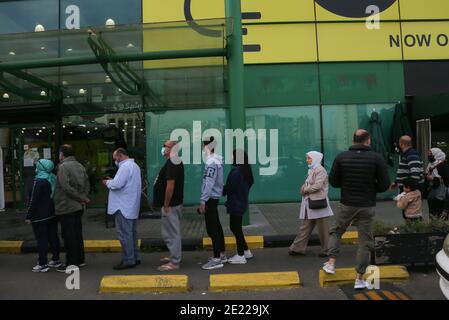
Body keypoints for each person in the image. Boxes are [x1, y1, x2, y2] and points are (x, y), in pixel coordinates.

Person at [323, 129, 390, 290]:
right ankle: (359, 279)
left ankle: (331, 263)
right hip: (367, 205)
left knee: (337, 231)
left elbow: (333, 181)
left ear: (353, 140)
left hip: (347, 203)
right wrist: (372, 189)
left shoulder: (341, 157)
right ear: (367, 141)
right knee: (365, 242)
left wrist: (346, 185)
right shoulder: (376, 158)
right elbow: (384, 184)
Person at [289, 151, 333, 257]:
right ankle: (297, 248)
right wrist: (304, 186)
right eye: (307, 158)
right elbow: (310, 182)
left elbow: (318, 185)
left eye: (309, 158)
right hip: (310, 203)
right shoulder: (312, 169)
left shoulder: (320, 170)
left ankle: (326, 250)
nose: (307, 160)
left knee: (323, 229)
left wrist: (305, 189)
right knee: (305, 227)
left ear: (315, 159)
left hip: (318, 203)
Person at [103, 148, 142, 270]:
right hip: (131, 205)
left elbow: (117, 184)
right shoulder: (134, 166)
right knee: (131, 233)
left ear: (120, 156)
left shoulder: (125, 167)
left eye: (115, 159)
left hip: (123, 206)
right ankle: (135, 257)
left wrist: (107, 183)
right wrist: (114, 181)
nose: (115, 161)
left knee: (124, 234)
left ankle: (128, 260)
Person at [54, 144, 90, 273]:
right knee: (77, 233)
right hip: (78, 207)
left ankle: (71, 263)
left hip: (66, 205)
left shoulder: (63, 167)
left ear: (62, 154)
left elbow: (65, 187)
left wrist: (80, 198)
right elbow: (87, 183)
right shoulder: (79, 165)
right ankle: (80, 259)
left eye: (59, 153)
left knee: (68, 235)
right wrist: (84, 197)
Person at [153, 140, 184, 271]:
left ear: (171, 148)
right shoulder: (174, 161)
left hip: (170, 205)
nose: (163, 148)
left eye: (165, 146)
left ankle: (175, 262)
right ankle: (174, 256)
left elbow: (170, 185)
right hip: (173, 203)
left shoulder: (173, 162)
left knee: (171, 233)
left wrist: (166, 204)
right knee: (171, 232)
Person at [25, 159, 61, 272]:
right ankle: (56, 259)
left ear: (41, 168)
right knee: (53, 237)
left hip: (39, 217)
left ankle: (42, 263)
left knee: (42, 240)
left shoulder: (39, 181)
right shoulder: (53, 178)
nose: (36, 167)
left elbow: (33, 201)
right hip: (52, 214)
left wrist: (28, 216)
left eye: (37, 166)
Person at [198, 137, 226, 270]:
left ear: (207, 147)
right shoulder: (217, 160)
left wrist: (203, 200)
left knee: (212, 228)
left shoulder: (211, 162)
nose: (203, 149)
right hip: (214, 197)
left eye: (203, 146)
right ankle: (221, 254)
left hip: (210, 198)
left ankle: (216, 259)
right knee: (217, 226)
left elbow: (209, 182)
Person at [223, 149, 254, 264]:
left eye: (232, 156)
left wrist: (218, 189)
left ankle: (241, 255)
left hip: (236, 203)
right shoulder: (246, 171)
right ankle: (246, 250)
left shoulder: (236, 172)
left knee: (235, 228)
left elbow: (229, 188)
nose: (231, 158)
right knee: (237, 228)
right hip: (241, 202)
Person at [425, 148, 449, 219]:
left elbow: (446, 179)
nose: (429, 156)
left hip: (441, 194)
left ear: (436, 155)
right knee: (433, 215)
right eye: (428, 154)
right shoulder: (430, 165)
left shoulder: (441, 165)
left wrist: (433, 179)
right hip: (432, 194)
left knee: (441, 216)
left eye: (430, 154)